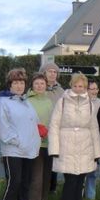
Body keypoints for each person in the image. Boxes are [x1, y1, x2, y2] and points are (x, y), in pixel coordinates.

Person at [49, 73, 100, 200]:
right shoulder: (62, 102)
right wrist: (54, 149)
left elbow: (94, 128)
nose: (78, 89)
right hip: (67, 144)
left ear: (85, 88)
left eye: (81, 86)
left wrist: (97, 152)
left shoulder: (90, 104)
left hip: (85, 146)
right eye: (75, 86)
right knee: (71, 180)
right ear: (71, 86)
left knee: (80, 181)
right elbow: (54, 125)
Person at [0, 68, 41, 200]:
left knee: (25, 182)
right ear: (10, 85)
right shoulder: (3, 103)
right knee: (15, 181)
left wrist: (36, 136)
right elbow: (1, 128)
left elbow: (33, 121)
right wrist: (17, 141)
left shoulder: (25, 101)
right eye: (16, 83)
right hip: (13, 150)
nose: (19, 86)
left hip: (29, 150)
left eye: (22, 83)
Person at [26, 73, 54, 200]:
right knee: (36, 175)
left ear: (46, 85)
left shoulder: (49, 101)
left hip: (48, 143)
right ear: (32, 85)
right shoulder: (27, 101)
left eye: (42, 84)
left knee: (46, 174)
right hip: (34, 143)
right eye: (36, 83)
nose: (39, 86)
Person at [40, 62, 64, 193]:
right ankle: (40, 190)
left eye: (55, 72)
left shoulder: (61, 91)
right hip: (41, 130)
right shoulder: (39, 87)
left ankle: (52, 189)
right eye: (50, 71)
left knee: (53, 160)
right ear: (44, 73)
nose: (52, 74)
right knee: (40, 162)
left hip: (56, 131)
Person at [84, 79, 100, 200]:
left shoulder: (99, 102)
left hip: (94, 140)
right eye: (92, 89)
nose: (95, 91)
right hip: (82, 140)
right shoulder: (81, 102)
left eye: (96, 89)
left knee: (92, 171)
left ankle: (91, 198)